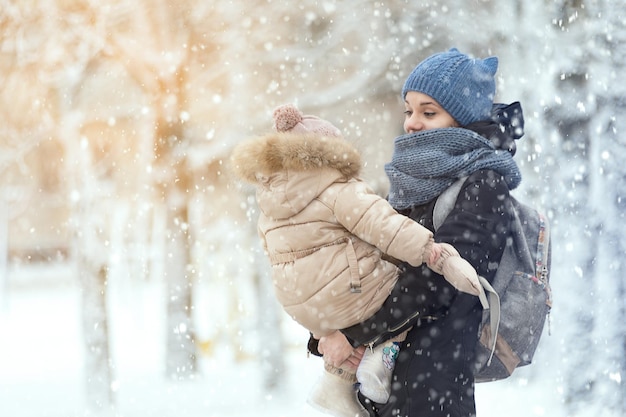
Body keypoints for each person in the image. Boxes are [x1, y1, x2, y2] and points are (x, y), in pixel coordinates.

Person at [229, 103, 486, 417]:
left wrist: (325, 332)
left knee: (345, 283)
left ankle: (337, 379)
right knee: (399, 274)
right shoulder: (338, 190)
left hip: (304, 305)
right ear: (330, 154)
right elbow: (386, 227)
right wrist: (432, 252)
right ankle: (382, 357)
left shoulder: (269, 204)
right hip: (354, 297)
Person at [316, 47, 524, 417]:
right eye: (408, 110)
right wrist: (327, 326)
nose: (412, 123)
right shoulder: (412, 186)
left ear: (463, 120)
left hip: (433, 393)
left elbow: (437, 283)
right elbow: (375, 268)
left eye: (429, 112)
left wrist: (352, 335)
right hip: (384, 390)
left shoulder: (483, 184)